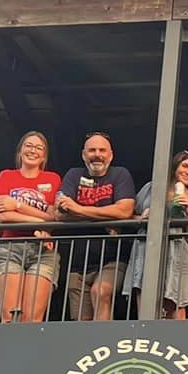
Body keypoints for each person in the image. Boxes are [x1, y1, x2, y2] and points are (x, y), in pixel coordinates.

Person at [56, 131, 137, 321]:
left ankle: (104, 343)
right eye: (92, 150)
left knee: (101, 292)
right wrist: (105, 217)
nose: (97, 154)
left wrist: (77, 208)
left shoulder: (120, 174)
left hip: (113, 256)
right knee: (80, 321)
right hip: (77, 261)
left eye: (102, 150)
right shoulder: (73, 175)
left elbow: (124, 210)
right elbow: (58, 214)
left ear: (111, 155)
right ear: (84, 155)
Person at [0, 131, 63, 323]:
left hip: (44, 250)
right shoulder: (7, 176)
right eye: (28, 146)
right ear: (20, 151)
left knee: (32, 318)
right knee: (10, 315)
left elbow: (54, 216)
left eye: (39, 147)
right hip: (11, 247)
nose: (33, 150)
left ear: (44, 156)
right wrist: (40, 223)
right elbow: (3, 216)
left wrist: (17, 206)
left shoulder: (53, 178)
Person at [129, 151, 188, 319]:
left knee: (176, 310)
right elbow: (130, 216)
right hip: (147, 251)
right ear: (174, 166)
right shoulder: (151, 188)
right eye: (185, 166)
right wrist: (142, 217)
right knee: (146, 306)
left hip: (178, 255)